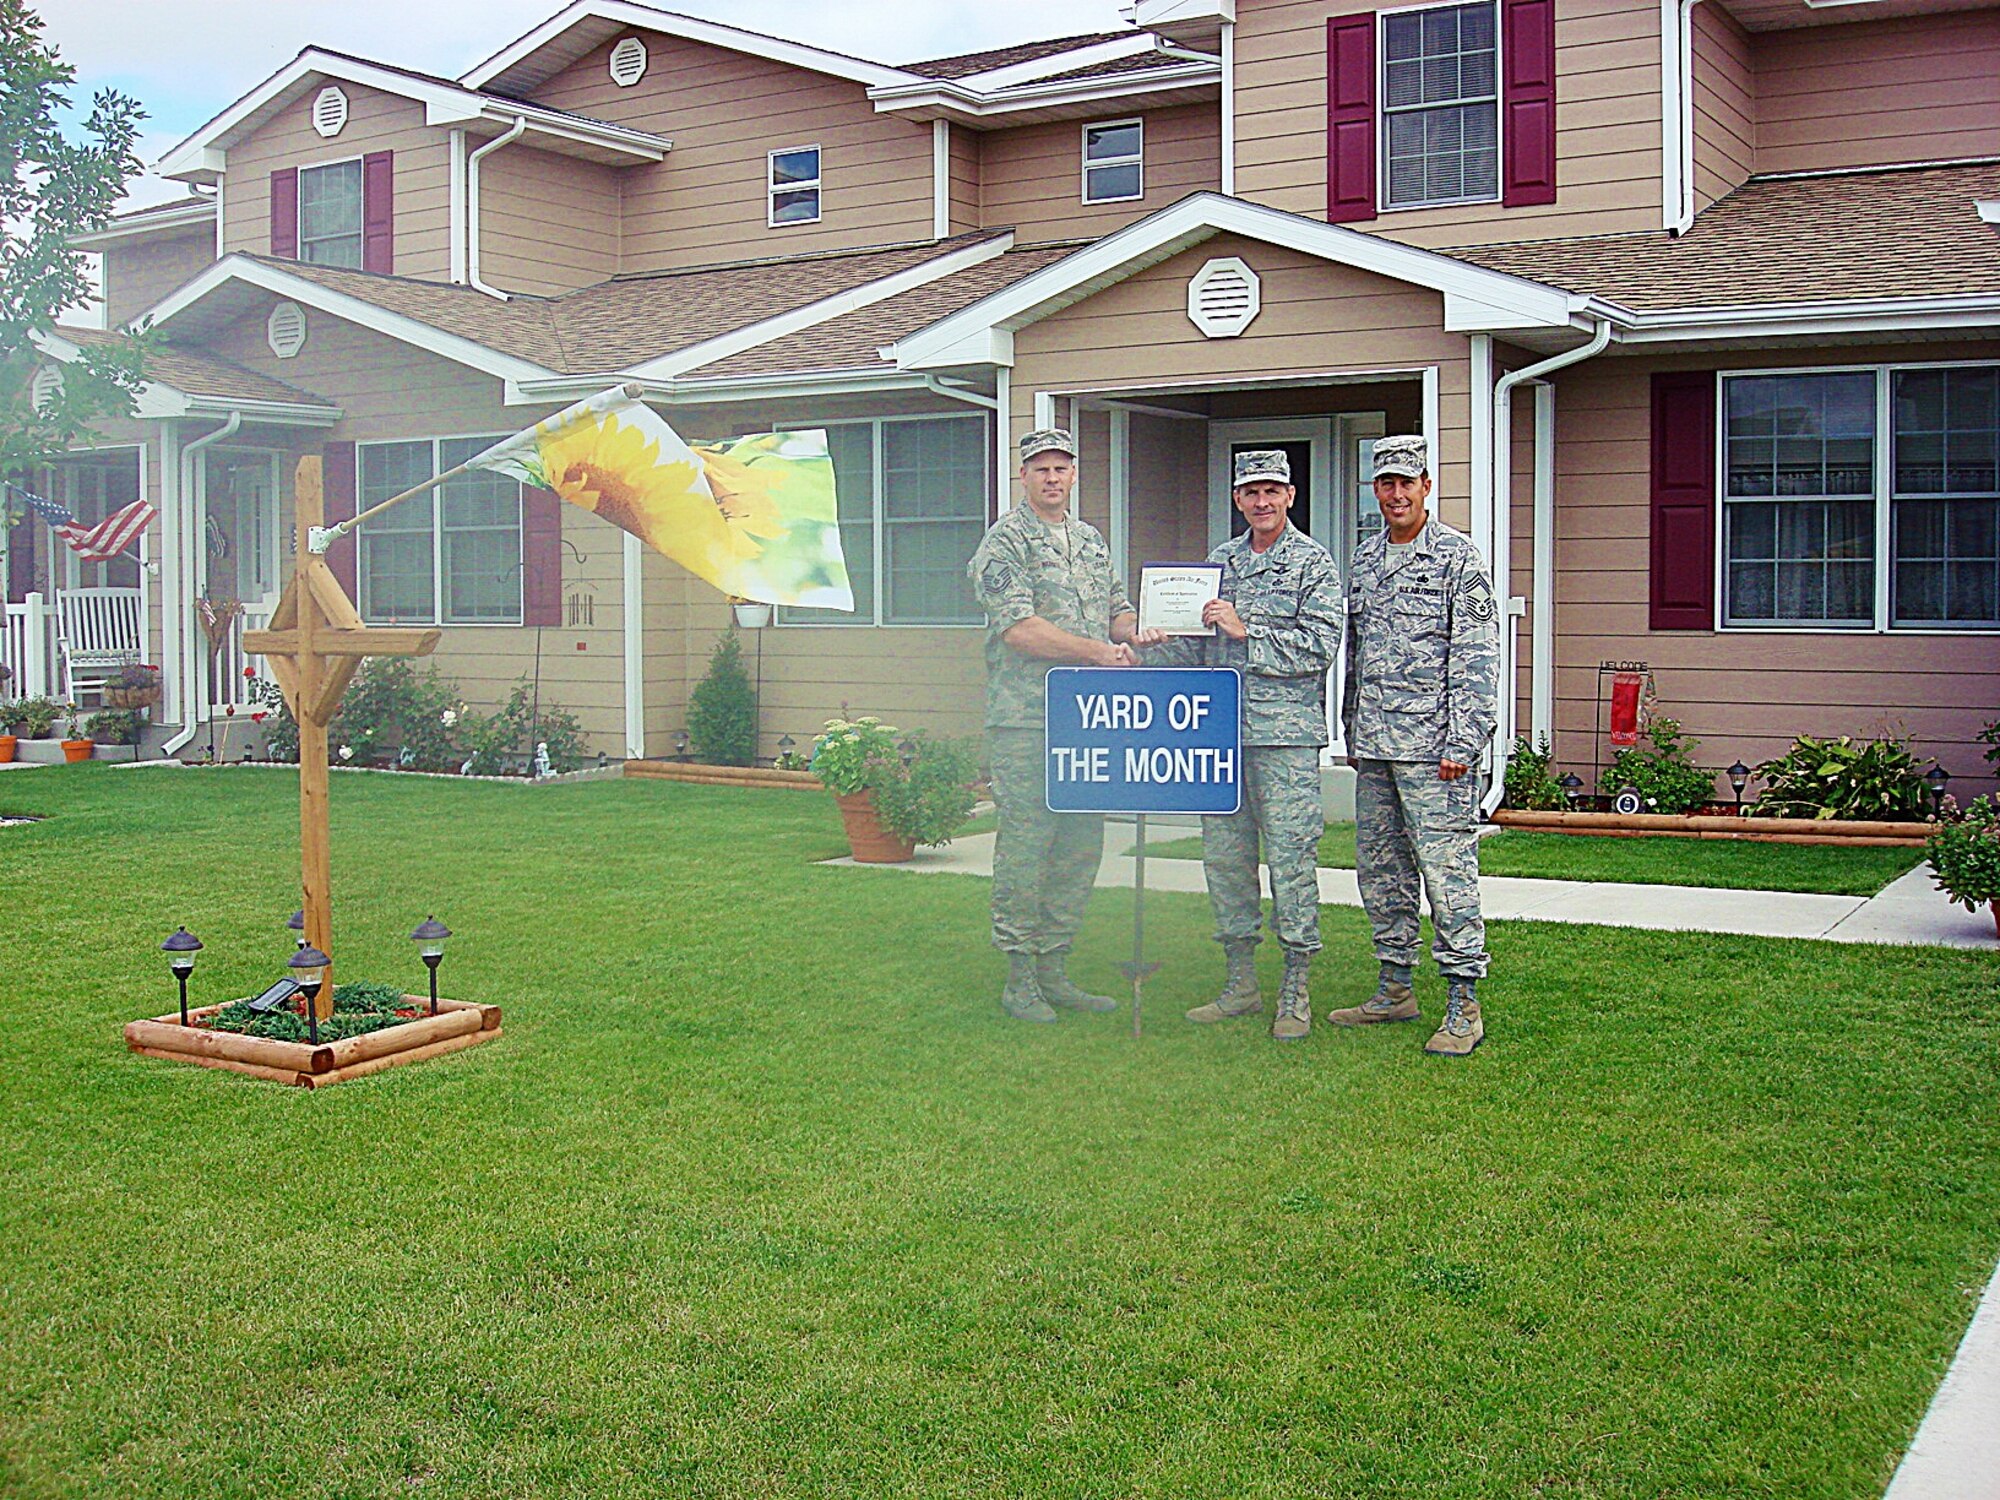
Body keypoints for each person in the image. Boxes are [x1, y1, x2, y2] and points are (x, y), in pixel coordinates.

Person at [967, 428, 1164, 1024]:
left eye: (1061, 468)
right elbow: (1017, 629)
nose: (1052, 479)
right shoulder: (1005, 542)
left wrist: (1138, 632)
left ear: (1075, 474)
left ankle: (1055, 967)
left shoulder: (1089, 540)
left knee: (1081, 845)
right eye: (1040, 469)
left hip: (1088, 722)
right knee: (1029, 845)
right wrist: (1095, 652)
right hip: (1029, 721)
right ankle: (1019, 976)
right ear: (1023, 477)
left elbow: (1116, 610)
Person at [1153, 451, 1344, 1041]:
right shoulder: (1219, 562)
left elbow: (1320, 647)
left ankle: (1295, 987)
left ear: (1290, 495)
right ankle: (1240, 982)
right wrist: (1159, 636)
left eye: (1272, 490)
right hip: (1219, 739)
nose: (1261, 501)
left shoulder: (1314, 565)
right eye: (1250, 492)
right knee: (1226, 863)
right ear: (1237, 500)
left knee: (1290, 862)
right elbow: (1195, 651)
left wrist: (1247, 630)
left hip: (1283, 742)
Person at [1328, 435, 1500, 1056]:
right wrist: (1351, 730)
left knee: (1446, 872)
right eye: (1386, 483)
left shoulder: (1458, 558)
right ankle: (1395, 987)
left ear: (1428, 485)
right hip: (1374, 744)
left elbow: (1478, 657)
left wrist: (1465, 738)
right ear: (1375, 489)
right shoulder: (1365, 559)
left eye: (1408, 482)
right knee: (1381, 870)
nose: (1396, 494)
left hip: (1436, 751)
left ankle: (1463, 1002)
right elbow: (1359, 654)